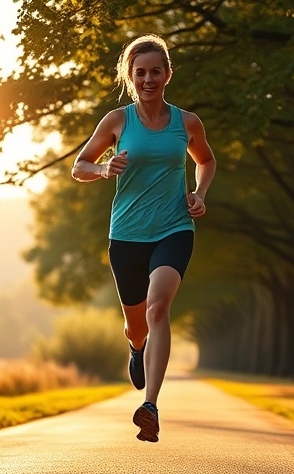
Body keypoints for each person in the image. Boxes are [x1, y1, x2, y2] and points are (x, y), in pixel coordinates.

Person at [70, 34, 216, 443]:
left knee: (158, 308)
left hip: (174, 227)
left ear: (168, 74)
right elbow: (79, 165)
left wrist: (199, 195)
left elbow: (206, 160)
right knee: (138, 326)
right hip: (127, 235)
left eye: (155, 71)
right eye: (140, 73)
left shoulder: (187, 122)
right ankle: (136, 349)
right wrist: (102, 169)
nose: (148, 79)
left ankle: (150, 406)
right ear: (130, 78)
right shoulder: (117, 120)